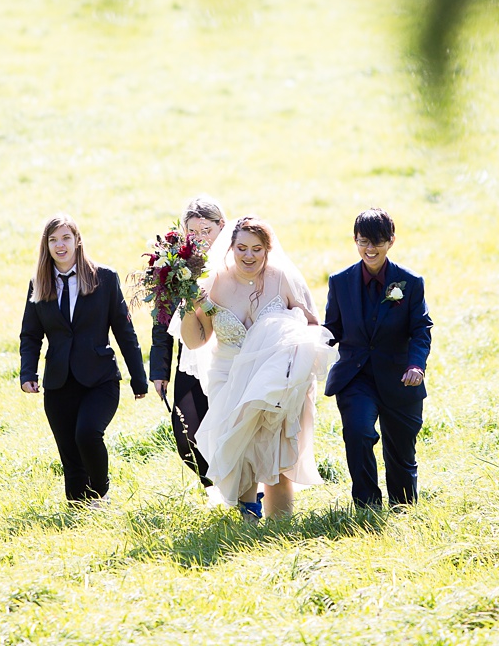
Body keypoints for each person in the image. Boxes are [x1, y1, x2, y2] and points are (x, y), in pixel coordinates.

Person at [180, 216, 333, 519]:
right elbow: (198, 340)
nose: (248, 256)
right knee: (240, 448)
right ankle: (248, 518)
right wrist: (188, 305)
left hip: (275, 380)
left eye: (256, 249)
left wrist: (295, 362)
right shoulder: (216, 283)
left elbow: (313, 327)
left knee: (275, 451)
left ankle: (280, 524)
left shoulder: (282, 278)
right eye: (242, 248)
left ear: (267, 250)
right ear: (231, 248)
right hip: (229, 377)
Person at [19, 214, 148, 506]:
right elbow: (30, 335)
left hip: (99, 379)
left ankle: (101, 493)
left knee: (87, 434)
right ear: (46, 245)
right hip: (59, 382)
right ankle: (79, 507)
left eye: (65, 238)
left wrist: (138, 377)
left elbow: (124, 331)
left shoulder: (104, 278)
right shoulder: (38, 283)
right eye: (53, 240)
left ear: (77, 241)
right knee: (69, 452)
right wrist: (28, 373)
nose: (59, 245)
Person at [324, 208, 432, 510]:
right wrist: (310, 342)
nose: (370, 249)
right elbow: (332, 328)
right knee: (357, 432)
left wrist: (416, 365)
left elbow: (421, 328)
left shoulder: (410, 282)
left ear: (391, 241)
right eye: (363, 242)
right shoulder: (340, 281)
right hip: (355, 378)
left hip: (401, 378)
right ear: (355, 241)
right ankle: (367, 505)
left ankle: (403, 508)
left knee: (401, 454)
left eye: (377, 242)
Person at [148, 196, 226, 490]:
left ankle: (237, 492)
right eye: (193, 232)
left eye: (206, 230)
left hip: (225, 359)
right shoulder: (174, 264)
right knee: (186, 438)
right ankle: (215, 489)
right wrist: (159, 370)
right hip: (188, 360)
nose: (201, 239)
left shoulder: (238, 259)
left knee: (223, 429)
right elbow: (162, 321)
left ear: (221, 226)